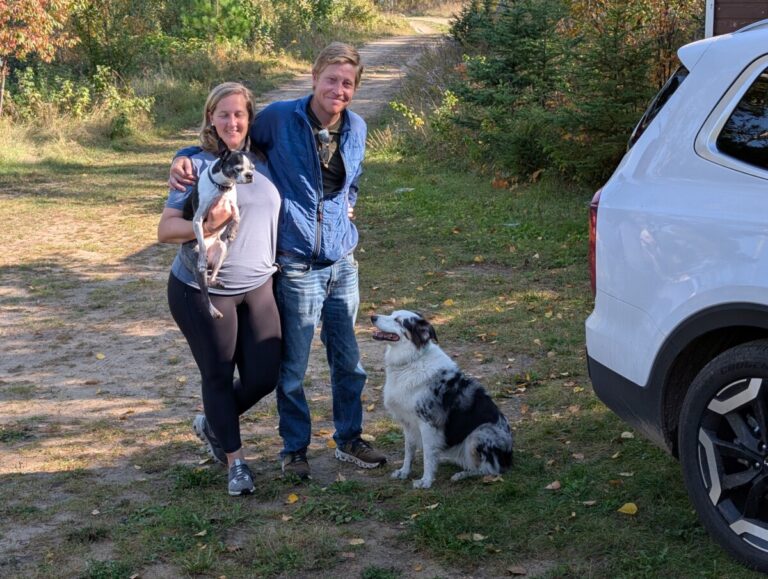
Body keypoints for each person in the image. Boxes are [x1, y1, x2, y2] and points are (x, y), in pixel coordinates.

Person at [170, 43, 386, 480]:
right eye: (331, 79)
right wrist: (182, 157)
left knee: (349, 363)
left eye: (347, 83)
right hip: (295, 264)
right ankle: (295, 449)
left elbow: (353, 177)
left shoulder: (358, 127)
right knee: (291, 370)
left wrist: (349, 204)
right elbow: (226, 135)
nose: (338, 89)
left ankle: (349, 439)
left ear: (356, 88)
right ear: (314, 77)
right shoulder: (280, 117)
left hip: (341, 262)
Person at [158, 82, 282, 496]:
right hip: (204, 290)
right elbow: (166, 230)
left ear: (250, 118)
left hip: (259, 285)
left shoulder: (264, 159)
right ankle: (236, 462)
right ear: (210, 117)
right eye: (223, 114)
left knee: (264, 376)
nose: (232, 122)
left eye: (239, 114)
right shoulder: (193, 165)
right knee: (218, 375)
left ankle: (213, 422)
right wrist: (209, 225)